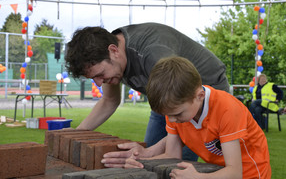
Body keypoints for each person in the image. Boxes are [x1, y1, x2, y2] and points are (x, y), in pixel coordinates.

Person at [65, 22, 229, 161]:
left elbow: (183, 109)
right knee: (148, 160)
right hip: (166, 100)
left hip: (199, 95)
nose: (99, 83)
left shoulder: (153, 54)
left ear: (114, 51)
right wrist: (77, 133)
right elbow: (109, 101)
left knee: (174, 164)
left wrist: (150, 153)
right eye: (94, 78)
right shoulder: (110, 56)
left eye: (100, 75)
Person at [103, 56, 271, 179]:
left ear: (199, 96)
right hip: (216, 172)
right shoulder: (176, 109)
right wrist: (140, 161)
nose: (173, 120)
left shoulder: (227, 109)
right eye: (168, 115)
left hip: (251, 174)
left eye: (177, 114)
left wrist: (198, 177)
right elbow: (173, 155)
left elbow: (235, 173)